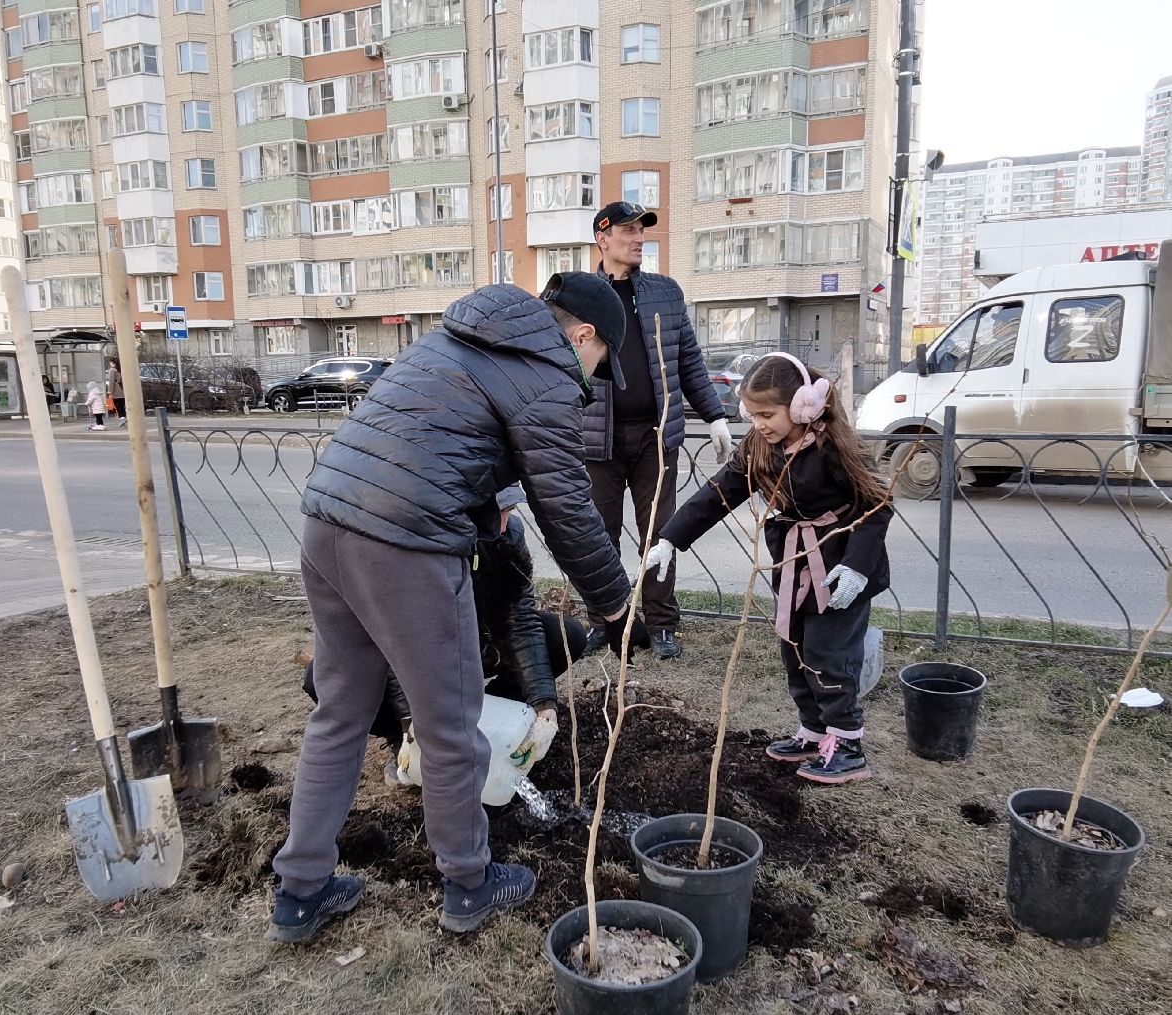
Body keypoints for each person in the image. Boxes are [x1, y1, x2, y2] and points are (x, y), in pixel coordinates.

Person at [268, 272, 650, 945]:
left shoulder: (449, 341)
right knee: (449, 725)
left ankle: (300, 892)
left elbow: (432, 447)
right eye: (598, 363)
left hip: (327, 523)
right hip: (403, 544)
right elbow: (565, 507)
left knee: (339, 714)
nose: (592, 376)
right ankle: (470, 885)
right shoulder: (546, 374)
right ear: (583, 335)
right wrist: (616, 606)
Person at [645, 353, 892, 785]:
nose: (758, 423)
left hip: (839, 566)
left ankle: (847, 743)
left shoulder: (832, 446)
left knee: (829, 653)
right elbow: (720, 491)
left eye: (767, 414)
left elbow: (877, 506)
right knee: (795, 648)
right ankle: (814, 732)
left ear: (802, 406)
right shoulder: (760, 445)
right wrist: (671, 537)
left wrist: (856, 568)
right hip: (794, 562)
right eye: (752, 413)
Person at [301, 483, 589, 780]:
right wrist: (410, 724)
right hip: (406, 655)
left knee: (565, 635)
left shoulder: (507, 534)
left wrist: (544, 706)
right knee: (321, 678)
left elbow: (520, 619)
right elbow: (394, 642)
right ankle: (400, 741)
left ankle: (486, 719)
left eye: (509, 511)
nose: (503, 524)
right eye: (495, 514)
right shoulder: (410, 544)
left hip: (473, 642)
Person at [582, 201, 733, 660]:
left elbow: (688, 360)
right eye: (628, 230)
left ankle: (662, 625)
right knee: (599, 535)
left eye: (642, 230)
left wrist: (715, 415)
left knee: (659, 534)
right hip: (595, 439)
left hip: (656, 438)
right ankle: (602, 622)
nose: (638, 237)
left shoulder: (665, 293)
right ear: (603, 238)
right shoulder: (581, 294)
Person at [107, 359, 127, 427]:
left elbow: (111, 381)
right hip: (122, 390)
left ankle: (122, 418)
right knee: (122, 405)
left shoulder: (112, 370)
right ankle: (124, 418)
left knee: (117, 405)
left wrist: (110, 392)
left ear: (112, 363)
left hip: (116, 391)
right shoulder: (120, 369)